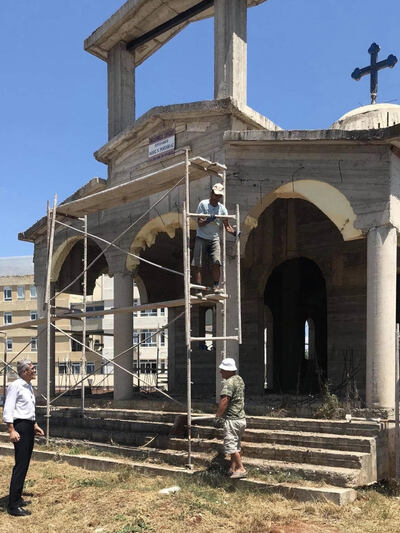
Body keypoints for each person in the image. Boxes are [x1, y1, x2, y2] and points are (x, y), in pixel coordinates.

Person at [3, 359, 44, 516]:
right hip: (19, 427)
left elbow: (28, 409)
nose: (34, 371)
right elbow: (8, 408)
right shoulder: (15, 386)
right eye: (32, 368)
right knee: (20, 465)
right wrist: (11, 430)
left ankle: (17, 498)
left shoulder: (28, 386)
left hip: (28, 426)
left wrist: (34, 425)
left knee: (25, 463)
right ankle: (13, 506)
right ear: (24, 371)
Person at [192, 183, 235, 296]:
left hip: (214, 239)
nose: (217, 198)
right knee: (198, 264)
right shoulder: (203, 204)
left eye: (219, 196)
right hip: (201, 237)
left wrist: (235, 233)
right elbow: (200, 223)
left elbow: (227, 226)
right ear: (211, 193)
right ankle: (199, 289)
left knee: (216, 262)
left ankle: (216, 286)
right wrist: (208, 220)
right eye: (216, 195)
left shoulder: (222, 209)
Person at [214, 357, 247, 478]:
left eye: (222, 370)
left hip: (232, 420)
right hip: (241, 419)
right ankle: (232, 469)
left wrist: (217, 417)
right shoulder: (239, 379)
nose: (220, 372)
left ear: (228, 370)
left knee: (230, 446)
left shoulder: (228, 383)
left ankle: (241, 468)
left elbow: (224, 400)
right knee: (236, 444)